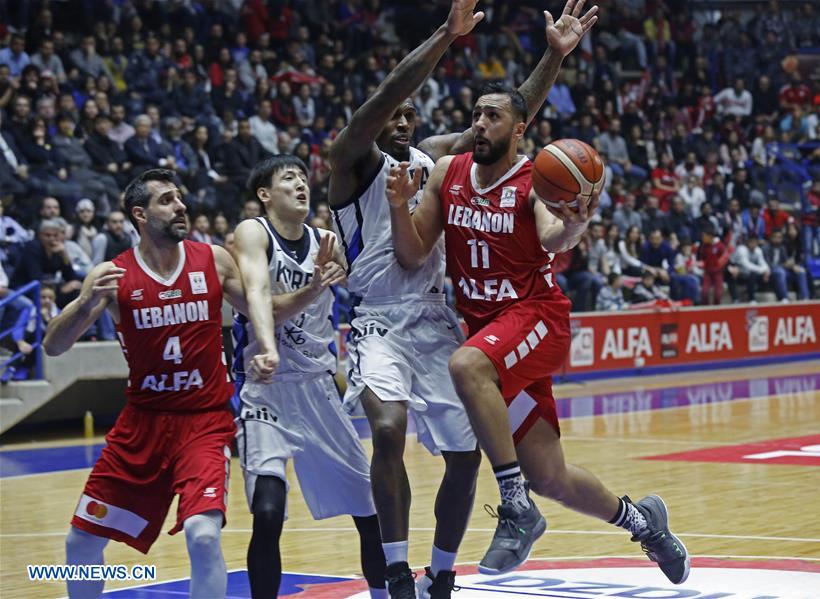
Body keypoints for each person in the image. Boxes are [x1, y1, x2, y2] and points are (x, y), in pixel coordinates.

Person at [327, 1, 598, 597]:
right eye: (391, 116)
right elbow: (391, 94)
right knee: (389, 429)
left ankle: (443, 572)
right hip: (375, 321)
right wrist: (447, 36)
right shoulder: (349, 164)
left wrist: (554, 55)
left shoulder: (434, 162)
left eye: (410, 117)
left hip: (435, 315)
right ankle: (396, 569)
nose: (402, 121)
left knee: (466, 450)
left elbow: (506, 123)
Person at [385, 84, 689, 585]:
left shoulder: (535, 182)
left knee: (465, 365)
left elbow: (553, 236)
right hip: (491, 335)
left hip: (536, 319)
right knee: (551, 476)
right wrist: (399, 206)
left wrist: (575, 224)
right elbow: (413, 253)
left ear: (519, 129)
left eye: (494, 116)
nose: (480, 123)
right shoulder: (448, 172)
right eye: (477, 114)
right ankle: (646, 523)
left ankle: (514, 505)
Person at [41, 169, 309, 599]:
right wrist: (86, 303)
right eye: (167, 200)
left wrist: (314, 289)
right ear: (140, 215)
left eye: (180, 198)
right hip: (140, 425)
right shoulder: (111, 275)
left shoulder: (213, 260)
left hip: (203, 423)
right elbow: (53, 346)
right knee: (80, 542)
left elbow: (266, 310)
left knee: (203, 537)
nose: (181, 206)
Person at [231, 155, 387, 598]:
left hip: (320, 389)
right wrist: (268, 342)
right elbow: (260, 294)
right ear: (265, 194)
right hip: (268, 391)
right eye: (288, 179)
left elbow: (366, 289)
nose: (301, 184)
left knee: (369, 511)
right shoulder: (252, 232)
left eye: (303, 178)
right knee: (267, 513)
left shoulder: (328, 241)